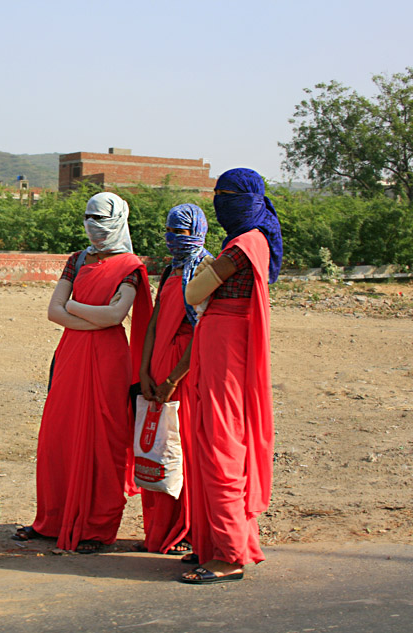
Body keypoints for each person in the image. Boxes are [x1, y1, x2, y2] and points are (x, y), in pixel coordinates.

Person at [14, 192, 152, 553]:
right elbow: (54, 312)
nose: (93, 225)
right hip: (71, 355)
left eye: (101, 219)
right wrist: (93, 315)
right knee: (58, 436)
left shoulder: (130, 266)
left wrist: (74, 307)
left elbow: (115, 316)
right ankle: (51, 521)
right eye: (88, 217)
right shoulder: (77, 260)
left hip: (109, 361)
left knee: (103, 441)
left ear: (118, 220)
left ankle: (96, 528)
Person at [181, 168, 282, 584]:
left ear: (250, 201)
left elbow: (193, 292)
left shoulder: (244, 244)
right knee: (210, 437)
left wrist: (204, 268)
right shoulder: (247, 242)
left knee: (222, 441)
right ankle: (219, 541)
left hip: (227, 346)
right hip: (220, 343)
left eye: (227, 196)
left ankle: (230, 553)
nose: (220, 203)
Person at [137, 203, 212, 555]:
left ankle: (186, 529)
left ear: (197, 231)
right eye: (169, 231)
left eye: (180, 232)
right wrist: (144, 370)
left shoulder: (207, 269)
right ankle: (159, 529)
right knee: (155, 446)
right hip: (158, 364)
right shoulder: (171, 268)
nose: (173, 238)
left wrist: (173, 379)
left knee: (181, 448)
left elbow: (201, 330)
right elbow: (154, 321)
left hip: (185, 369)